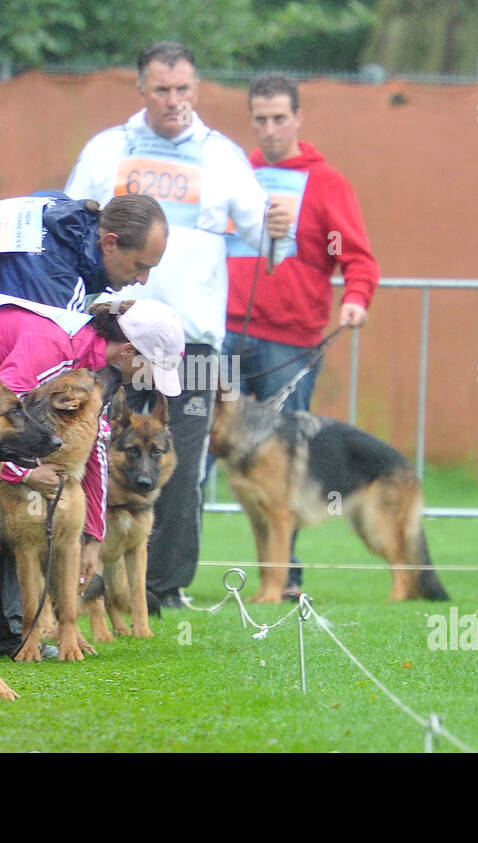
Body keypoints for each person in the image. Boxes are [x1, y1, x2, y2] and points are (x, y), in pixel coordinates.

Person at [64, 40, 290, 608]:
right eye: (162, 89)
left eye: (183, 89)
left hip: (190, 347)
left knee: (175, 467)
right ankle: (79, 583)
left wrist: (279, 227)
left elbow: (266, 239)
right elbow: (69, 226)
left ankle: (163, 591)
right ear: (142, 89)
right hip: (112, 335)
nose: (173, 100)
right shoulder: (106, 150)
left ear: (197, 90)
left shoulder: (223, 156)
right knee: (88, 452)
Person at [0, 295, 184, 651]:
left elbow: (97, 443)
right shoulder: (54, 348)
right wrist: (24, 474)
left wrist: (93, 536)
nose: (147, 380)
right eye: (150, 368)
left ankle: (9, 630)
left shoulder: (92, 367)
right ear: (129, 352)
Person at [223, 72, 380, 600]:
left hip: (290, 340)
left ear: (298, 119)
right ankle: (168, 579)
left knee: (282, 464)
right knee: (193, 444)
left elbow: (357, 258)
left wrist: (356, 299)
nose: (269, 129)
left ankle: (284, 578)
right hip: (222, 332)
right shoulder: (234, 174)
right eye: (261, 119)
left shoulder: (328, 183)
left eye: (279, 118)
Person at [0, 192, 168, 311]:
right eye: (140, 266)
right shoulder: (60, 290)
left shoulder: (54, 203)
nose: (143, 279)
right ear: (110, 243)